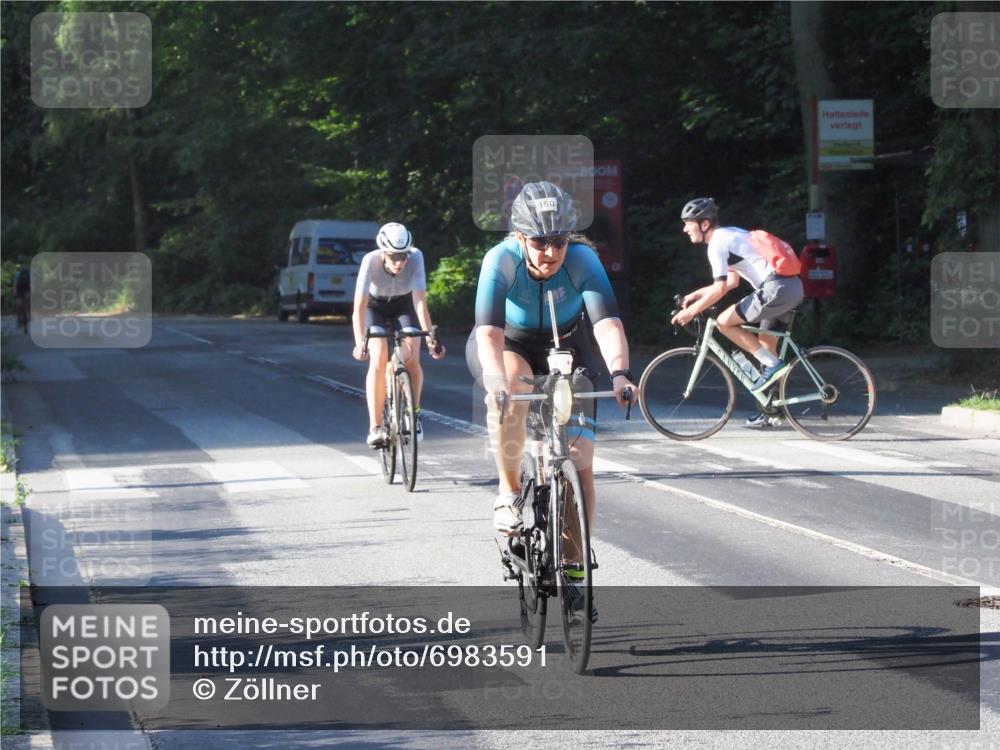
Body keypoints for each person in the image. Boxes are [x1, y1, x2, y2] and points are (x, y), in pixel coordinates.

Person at [474, 181, 636, 540]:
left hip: (569, 343)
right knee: (511, 389)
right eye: (539, 241)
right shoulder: (499, 260)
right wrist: (495, 381)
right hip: (515, 342)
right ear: (519, 236)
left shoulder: (583, 260)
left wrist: (620, 374)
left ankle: (576, 570)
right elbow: (489, 333)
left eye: (559, 241)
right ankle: (509, 493)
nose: (550, 252)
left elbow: (608, 325)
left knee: (580, 463)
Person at [671, 197, 804, 427]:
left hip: (776, 289)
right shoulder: (729, 235)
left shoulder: (717, 244)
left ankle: (774, 367)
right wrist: (696, 295)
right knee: (766, 347)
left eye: (688, 223)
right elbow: (730, 281)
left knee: (724, 322)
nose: (684, 229)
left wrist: (690, 313)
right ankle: (772, 410)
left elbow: (721, 288)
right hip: (790, 287)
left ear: (704, 224)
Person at [352, 222, 445, 448]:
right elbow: (359, 309)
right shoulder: (370, 261)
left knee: (412, 355)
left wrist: (431, 340)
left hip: (403, 305)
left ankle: (413, 414)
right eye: (393, 257)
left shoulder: (416, 257)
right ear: (383, 252)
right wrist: (359, 343)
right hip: (374, 306)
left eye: (403, 256)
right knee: (378, 355)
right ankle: (375, 427)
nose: (399, 262)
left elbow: (420, 302)